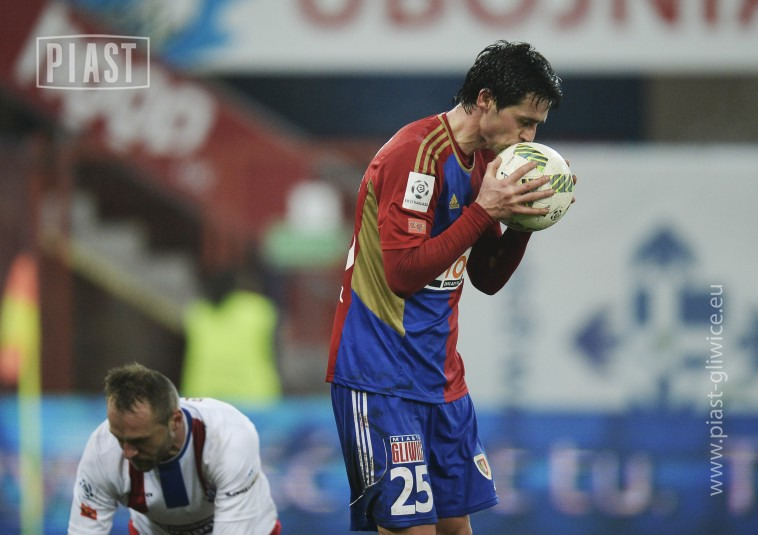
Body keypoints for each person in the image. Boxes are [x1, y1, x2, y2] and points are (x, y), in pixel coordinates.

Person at [325, 40, 567, 534]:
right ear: (485, 100)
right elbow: (403, 273)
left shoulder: (484, 164)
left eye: (537, 126)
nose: (530, 136)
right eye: (524, 121)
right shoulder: (415, 154)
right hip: (380, 376)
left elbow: (486, 277)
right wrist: (485, 211)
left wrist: (524, 220)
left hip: (441, 380)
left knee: (456, 530)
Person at [68, 362, 281, 535]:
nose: (127, 452)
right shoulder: (102, 451)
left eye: (140, 440)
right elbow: (85, 529)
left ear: (175, 421)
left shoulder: (228, 439)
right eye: (119, 439)